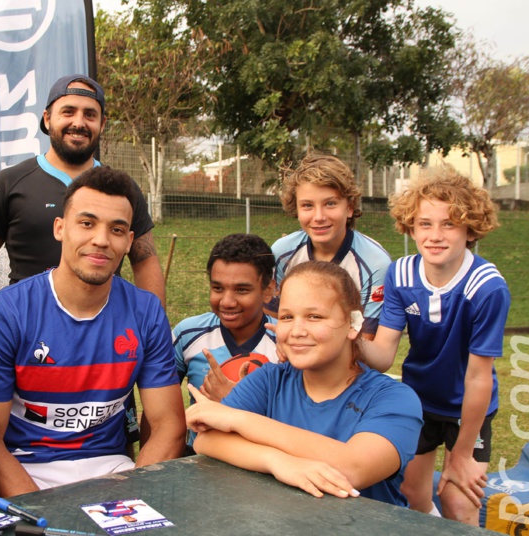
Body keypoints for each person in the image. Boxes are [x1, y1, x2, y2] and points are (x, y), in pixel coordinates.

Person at [0, 166, 185, 495]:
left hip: (115, 473)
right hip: (26, 472)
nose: (100, 240)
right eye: (87, 223)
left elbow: (168, 426)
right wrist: (38, 512)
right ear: (60, 228)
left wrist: (132, 501)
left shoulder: (146, 312)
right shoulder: (5, 314)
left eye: (116, 230)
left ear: (129, 241)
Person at [186, 261, 423, 506]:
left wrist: (240, 420)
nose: (297, 330)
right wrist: (277, 461)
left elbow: (354, 468)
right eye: (287, 317)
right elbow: (206, 440)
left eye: (314, 316)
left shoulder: (394, 399)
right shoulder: (268, 380)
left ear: (353, 324)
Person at [359, 168, 510, 525]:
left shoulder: (487, 288)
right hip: (419, 401)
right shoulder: (400, 274)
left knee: (459, 506)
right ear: (410, 227)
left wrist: (460, 454)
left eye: (449, 225)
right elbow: (382, 356)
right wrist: (346, 338)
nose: (435, 236)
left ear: (470, 229)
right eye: (425, 224)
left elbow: (477, 378)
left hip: (468, 410)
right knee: (412, 497)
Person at [0, 74, 165, 305]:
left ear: (102, 124)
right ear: (48, 118)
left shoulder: (122, 189)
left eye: (90, 114)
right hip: (26, 330)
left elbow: (145, 263)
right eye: (68, 112)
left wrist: (156, 328)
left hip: (103, 326)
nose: (79, 123)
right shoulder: (9, 183)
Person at [267, 153, 390, 340]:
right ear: (296, 209)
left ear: (349, 207)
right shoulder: (282, 253)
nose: (319, 217)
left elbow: (366, 341)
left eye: (330, 204)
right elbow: (273, 320)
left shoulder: (375, 263)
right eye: (307, 205)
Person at [172, 234, 277, 450]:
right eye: (218, 288)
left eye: (241, 290)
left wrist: (233, 402)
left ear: (268, 290)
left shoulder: (287, 342)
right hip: (198, 460)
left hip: (266, 463)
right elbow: (162, 414)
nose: (227, 302)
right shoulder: (187, 334)